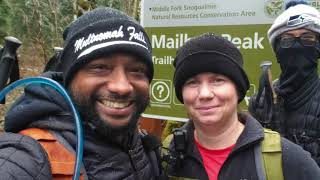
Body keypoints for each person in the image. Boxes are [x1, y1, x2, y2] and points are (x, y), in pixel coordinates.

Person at [0, 7, 162, 179]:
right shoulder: (27, 157)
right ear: (69, 78)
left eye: (136, 70)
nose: (122, 87)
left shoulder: (143, 146)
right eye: (100, 67)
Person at [162, 33, 320, 180]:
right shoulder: (167, 153)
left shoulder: (289, 160)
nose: (204, 94)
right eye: (192, 82)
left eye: (218, 80)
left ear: (238, 90)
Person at [248, 0, 320, 165]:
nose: (297, 45)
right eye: (287, 39)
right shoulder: (260, 101)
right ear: (277, 50)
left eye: (307, 38)